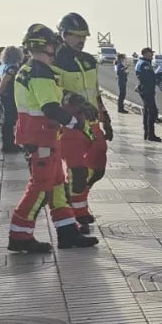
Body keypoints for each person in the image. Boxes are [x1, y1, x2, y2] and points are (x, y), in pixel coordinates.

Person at [8, 24, 97, 252]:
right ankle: (20, 235)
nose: (55, 49)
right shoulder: (40, 73)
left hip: (45, 138)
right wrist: (77, 124)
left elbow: (53, 94)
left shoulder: (29, 70)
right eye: (52, 45)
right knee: (41, 188)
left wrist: (75, 100)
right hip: (41, 139)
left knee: (57, 187)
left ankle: (68, 233)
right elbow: (50, 107)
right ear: (45, 46)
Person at [52, 13, 112, 232]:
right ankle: (78, 213)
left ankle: (76, 198)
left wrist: (105, 116)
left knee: (98, 167)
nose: (81, 40)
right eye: (76, 36)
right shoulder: (55, 60)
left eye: (83, 36)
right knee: (77, 171)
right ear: (63, 35)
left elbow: (95, 91)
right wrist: (77, 102)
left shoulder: (89, 60)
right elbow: (54, 92)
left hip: (92, 122)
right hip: (71, 124)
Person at [0, 46, 22, 152]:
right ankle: (8, 144)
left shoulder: (3, 66)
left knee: (7, 119)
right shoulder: (12, 68)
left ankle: (9, 142)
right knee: (9, 120)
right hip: (9, 96)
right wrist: (1, 92)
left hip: (5, 95)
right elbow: (5, 80)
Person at [134, 47, 161, 141]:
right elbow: (150, 77)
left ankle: (147, 132)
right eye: (151, 54)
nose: (152, 55)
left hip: (144, 89)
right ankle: (151, 134)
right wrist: (159, 75)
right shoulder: (144, 64)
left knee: (147, 110)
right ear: (145, 54)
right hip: (147, 90)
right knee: (152, 111)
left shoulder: (141, 63)